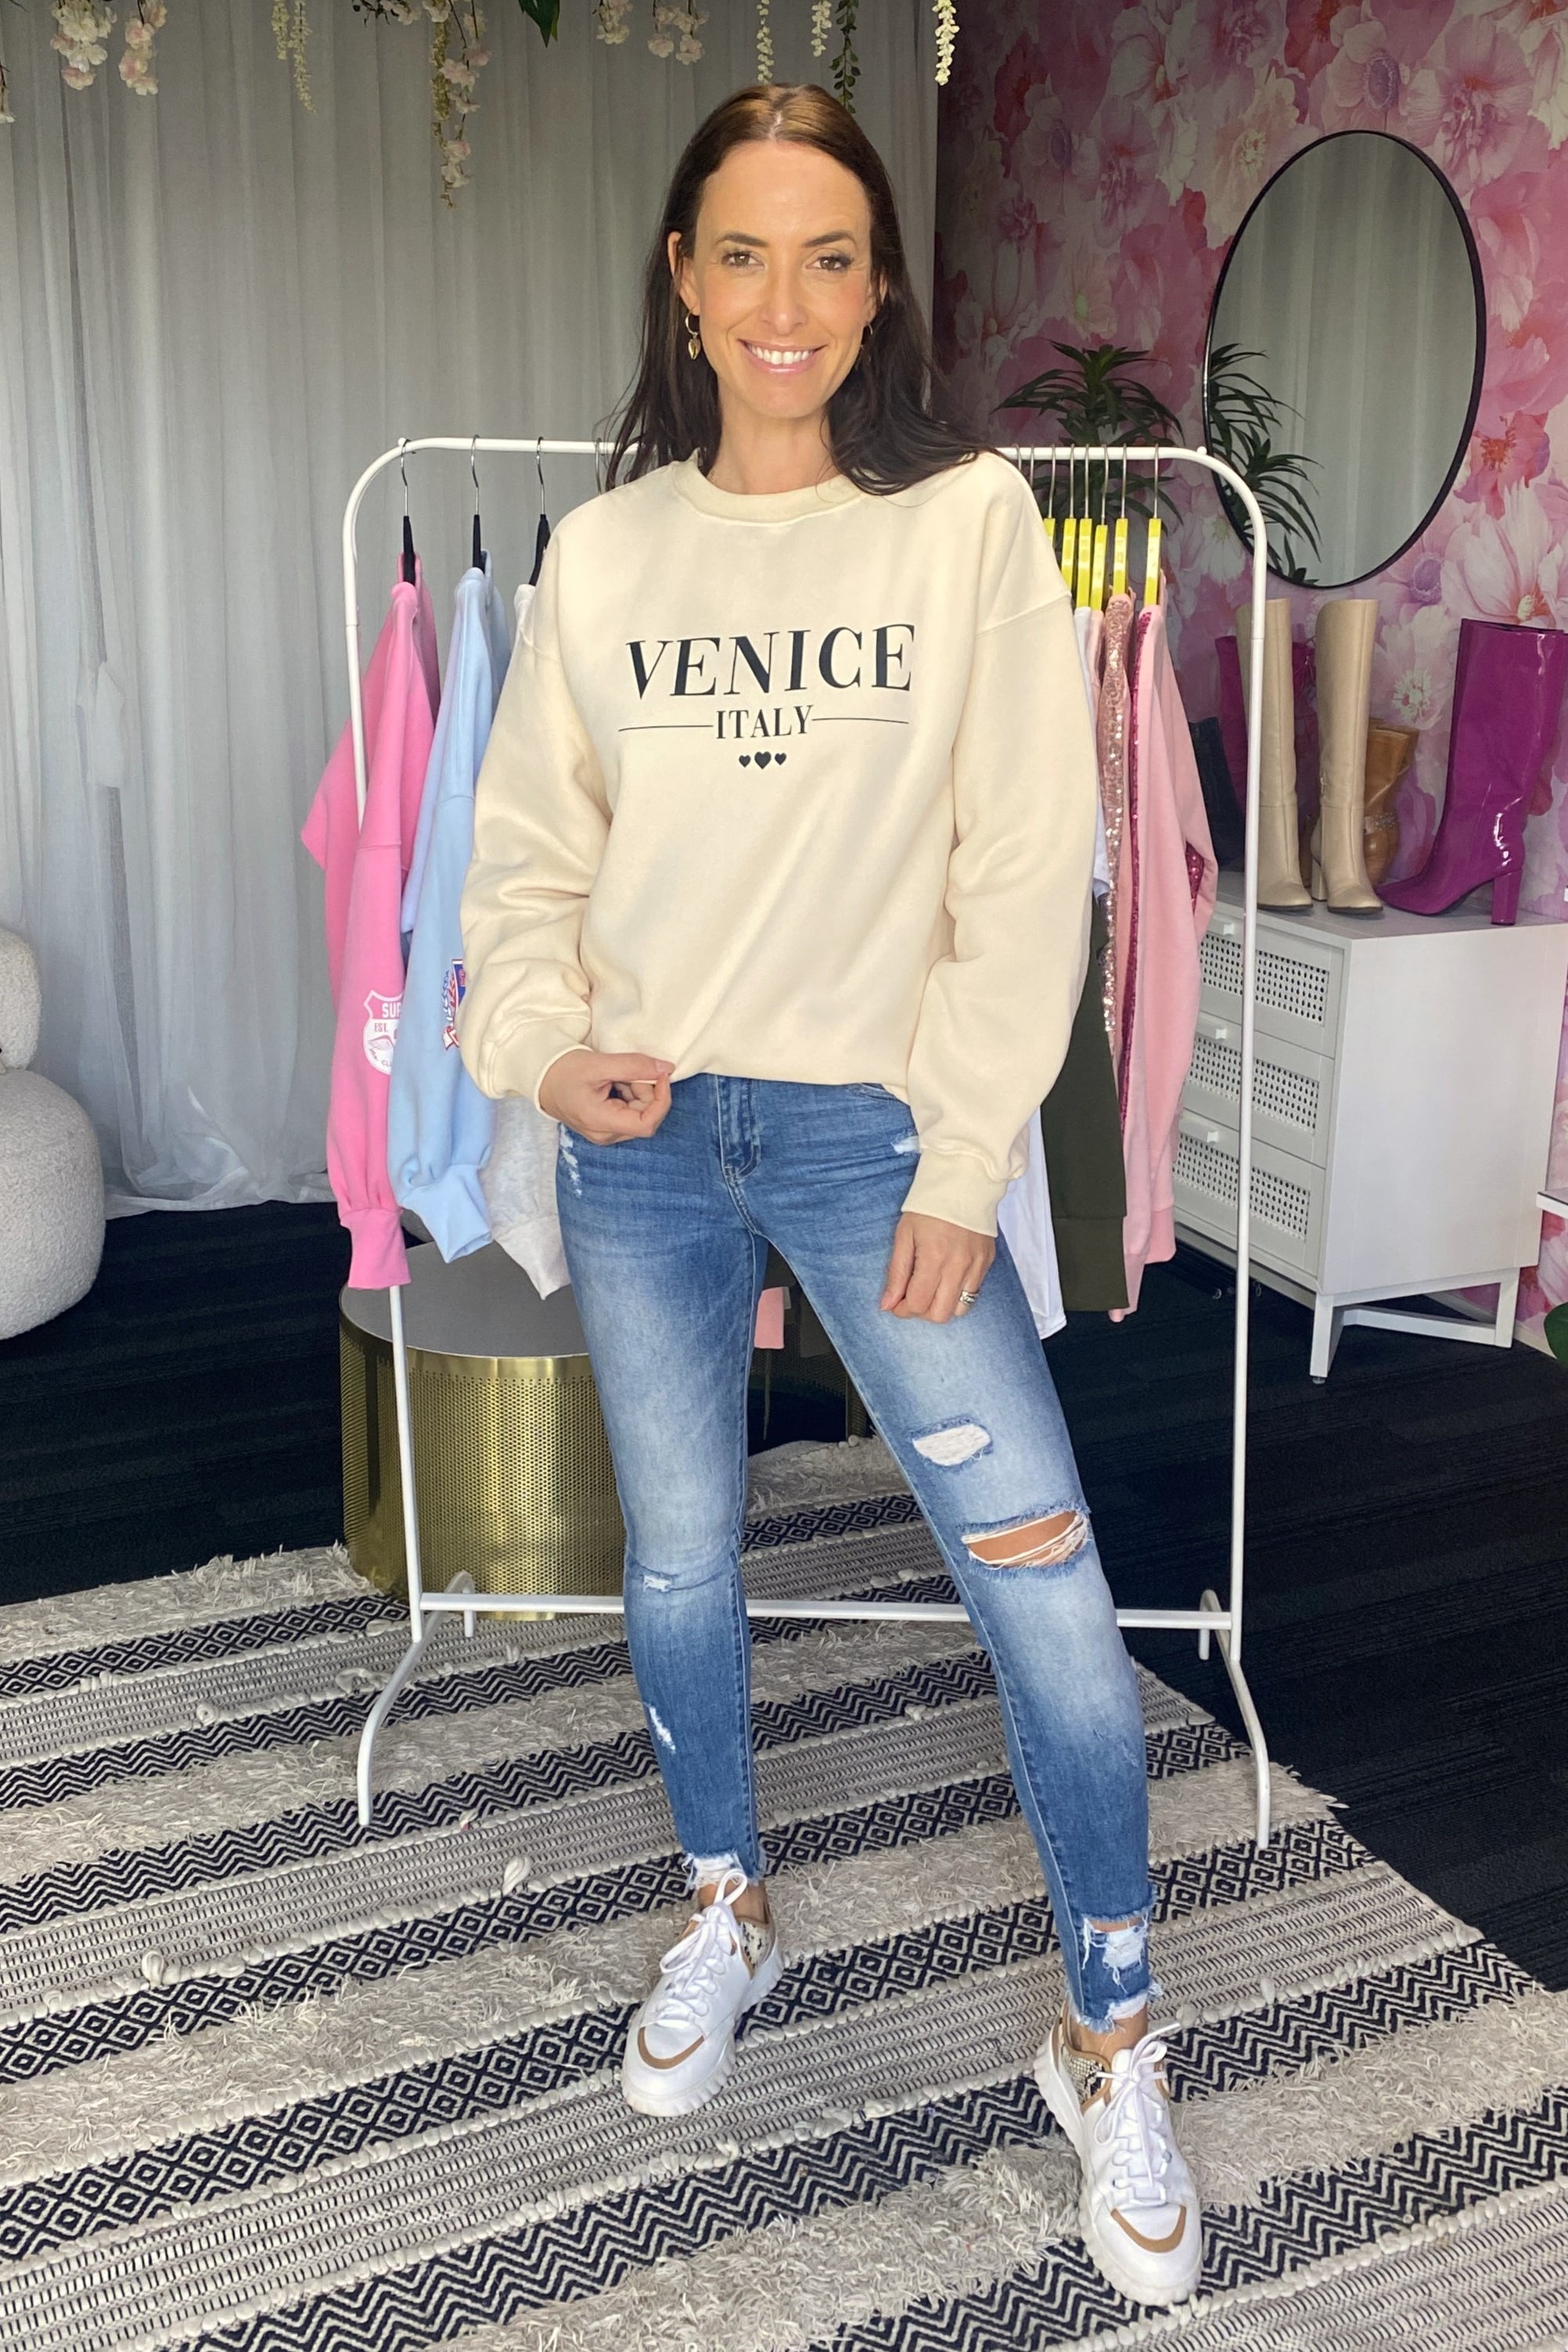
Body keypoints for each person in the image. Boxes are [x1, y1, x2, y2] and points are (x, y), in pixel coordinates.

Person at [459, 81, 1201, 2310]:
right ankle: (726, 1903)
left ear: (879, 293)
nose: (784, 300)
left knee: (1041, 1580)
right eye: (742, 254)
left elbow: (1024, 865)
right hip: (644, 1136)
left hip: (881, 1137)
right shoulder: (606, 557)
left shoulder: (964, 526)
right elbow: (526, 862)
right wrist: (537, 1049)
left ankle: (1111, 2029)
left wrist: (967, 1151)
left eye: (831, 256)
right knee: (681, 1550)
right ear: (683, 287)